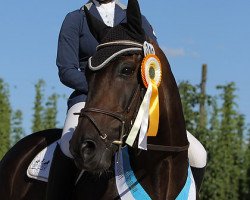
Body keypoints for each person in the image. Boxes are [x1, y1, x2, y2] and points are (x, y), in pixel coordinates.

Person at [46, 0, 206, 199]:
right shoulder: (75, 19)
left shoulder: (138, 20)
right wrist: (103, 89)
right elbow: (66, 70)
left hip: (135, 103)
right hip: (88, 99)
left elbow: (154, 60)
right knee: (66, 146)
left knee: (199, 154)